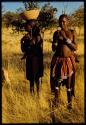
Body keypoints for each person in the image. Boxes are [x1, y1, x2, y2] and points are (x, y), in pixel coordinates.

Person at [50, 14, 78, 110]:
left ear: (68, 21)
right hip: (58, 60)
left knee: (69, 85)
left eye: (64, 21)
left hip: (68, 60)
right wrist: (55, 42)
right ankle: (56, 104)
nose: (62, 23)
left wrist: (66, 40)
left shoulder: (72, 32)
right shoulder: (56, 33)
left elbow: (75, 47)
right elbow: (53, 49)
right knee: (57, 83)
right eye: (60, 21)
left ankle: (70, 105)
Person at [21, 20, 44, 96]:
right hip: (29, 59)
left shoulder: (37, 36)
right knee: (31, 78)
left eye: (26, 26)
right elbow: (24, 50)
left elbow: (36, 46)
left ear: (31, 26)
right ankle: (31, 94)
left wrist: (30, 39)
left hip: (36, 59)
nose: (25, 27)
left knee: (37, 77)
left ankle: (38, 94)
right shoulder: (27, 36)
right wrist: (22, 41)